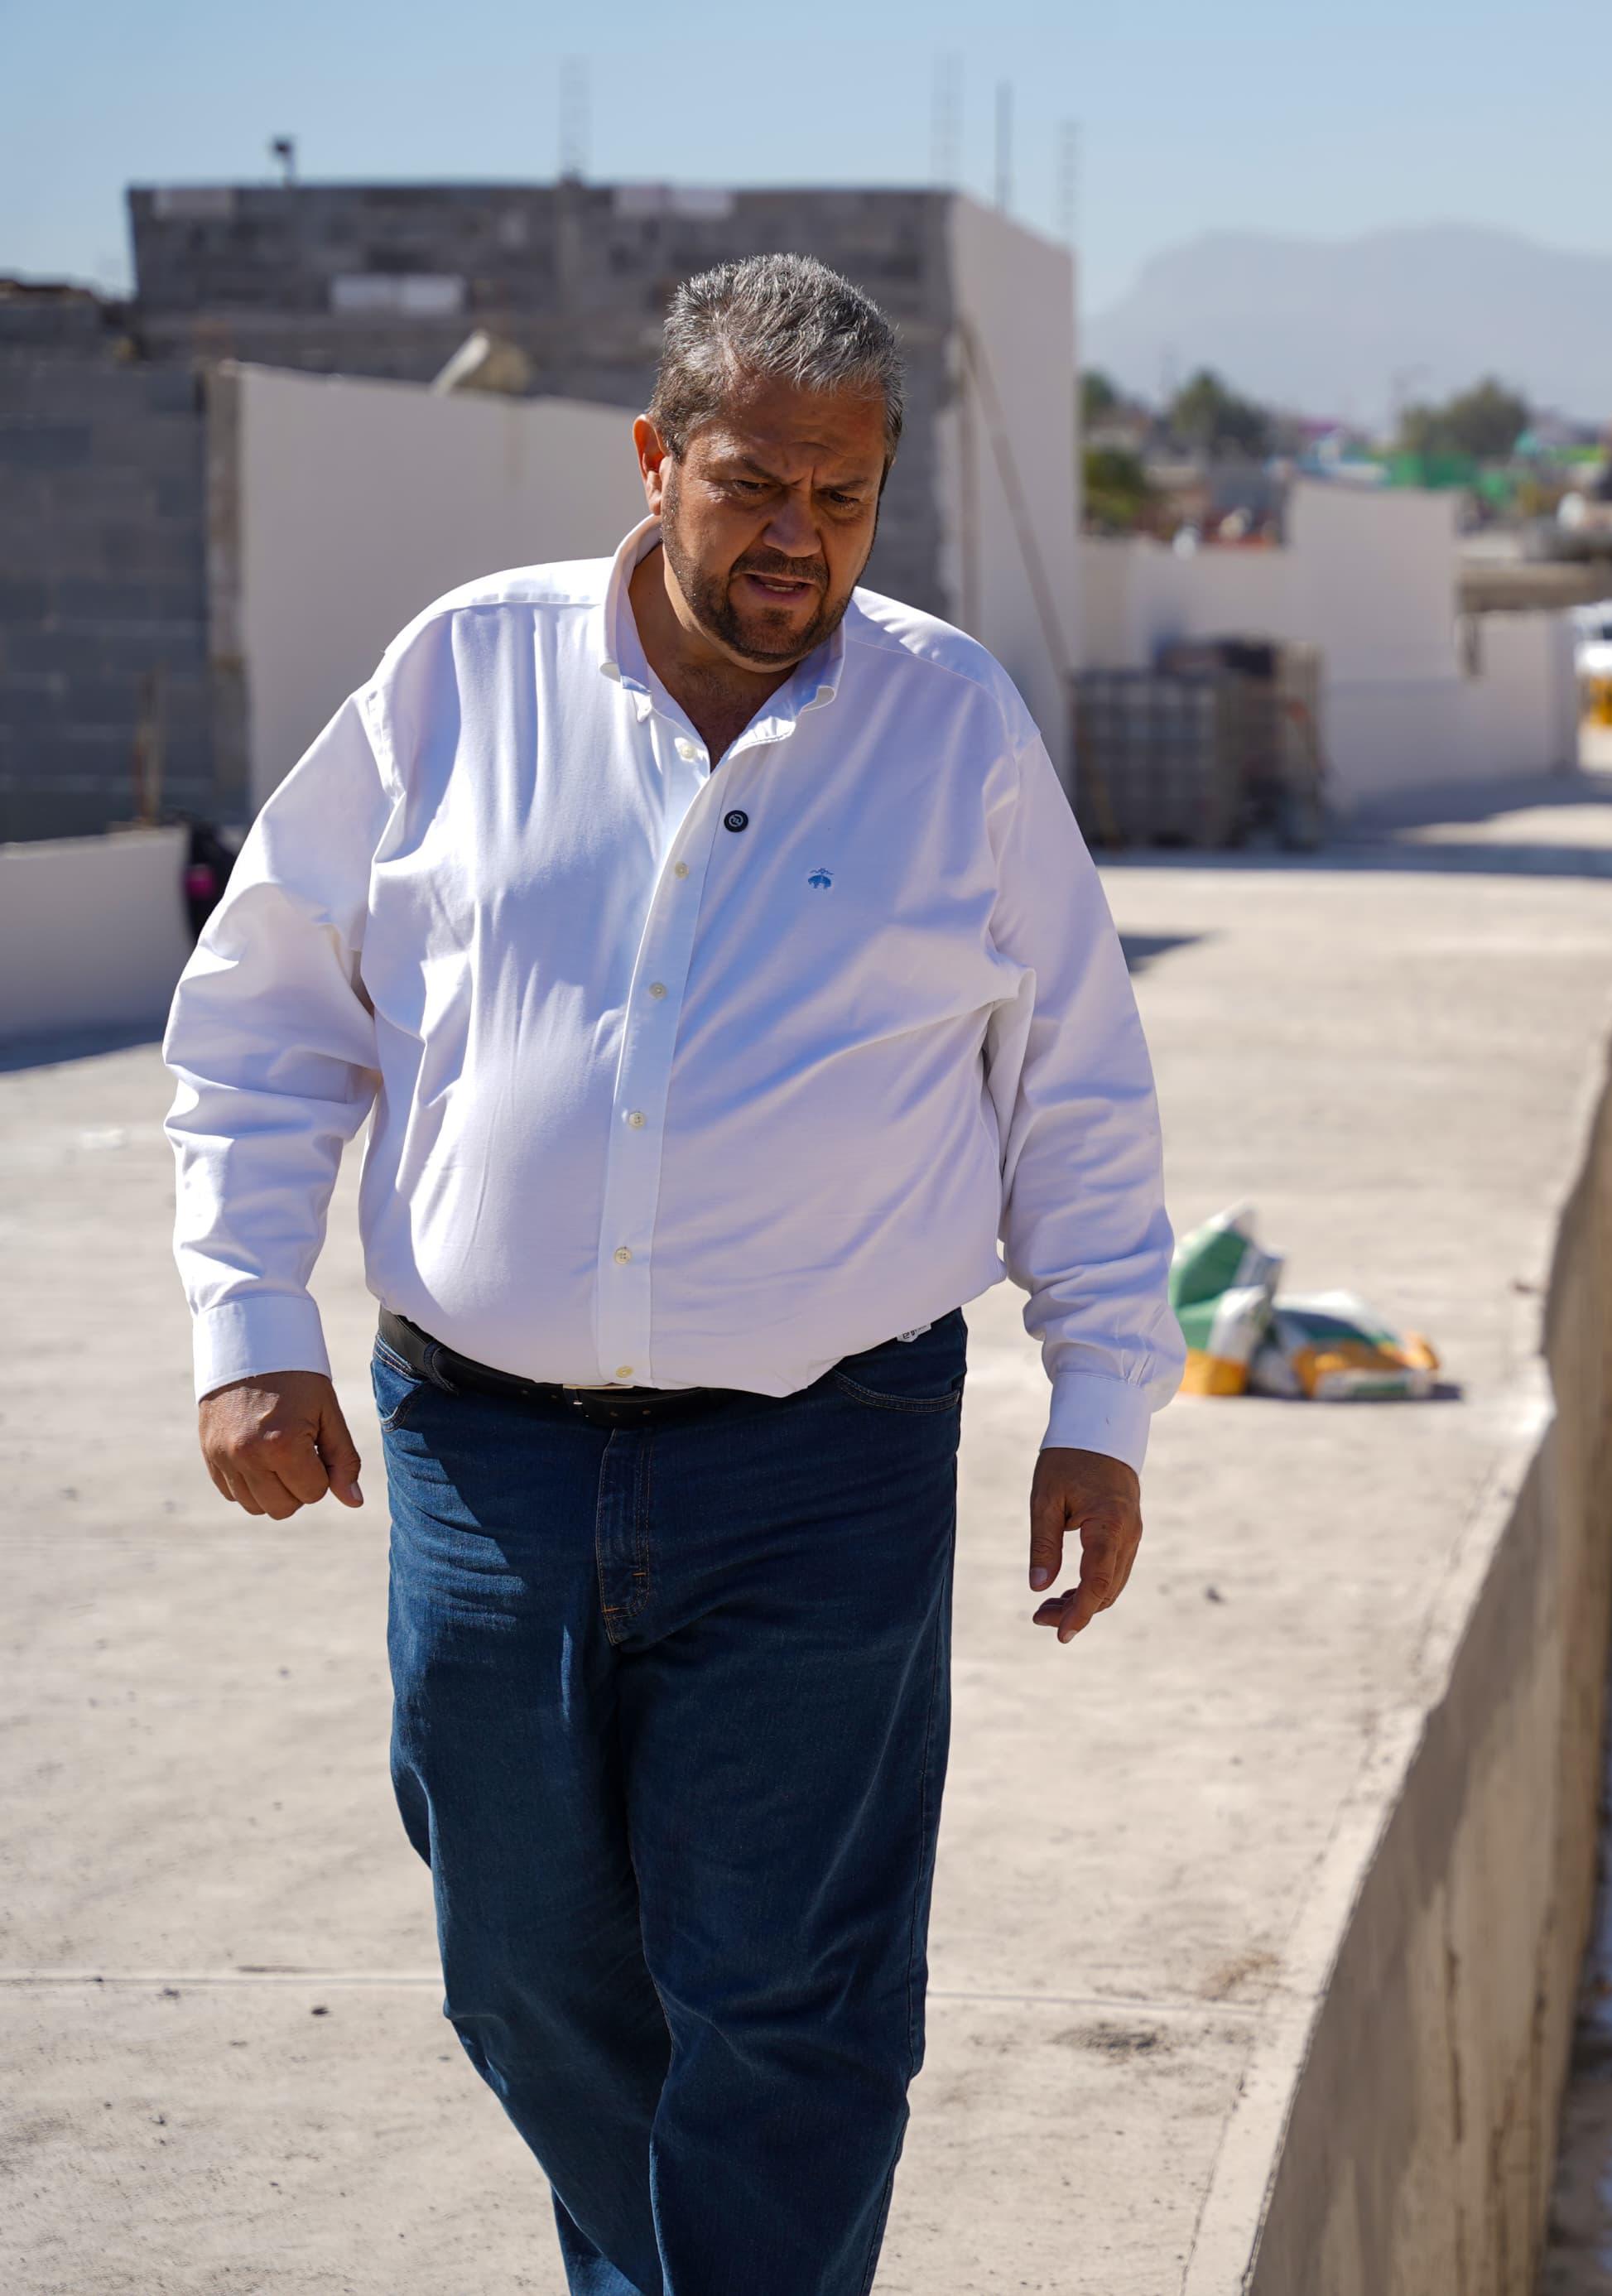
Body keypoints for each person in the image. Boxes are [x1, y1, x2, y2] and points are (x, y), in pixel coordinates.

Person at [165, 254, 1181, 2294]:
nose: (799, 537)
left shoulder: (955, 726)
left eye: (844, 497)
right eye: (754, 486)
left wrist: (1103, 1400)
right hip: (485, 1464)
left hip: (827, 1464)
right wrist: (249, 1323)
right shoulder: (462, 675)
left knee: (795, 1996)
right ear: (656, 457)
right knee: (524, 1971)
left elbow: (1074, 1080)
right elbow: (268, 1004)